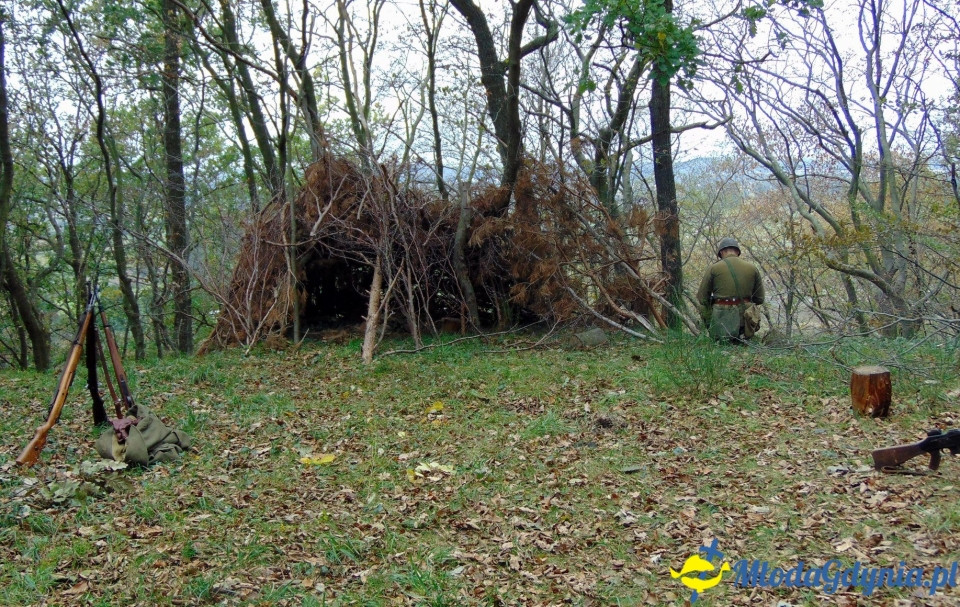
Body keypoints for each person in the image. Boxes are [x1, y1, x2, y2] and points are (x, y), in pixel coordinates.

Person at [697, 237, 764, 342]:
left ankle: (716, 335)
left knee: (703, 307)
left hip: (721, 319)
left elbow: (702, 298)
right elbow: (760, 299)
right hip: (745, 320)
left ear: (722, 252)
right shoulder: (752, 268)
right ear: (737, 251)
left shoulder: (713, 268)